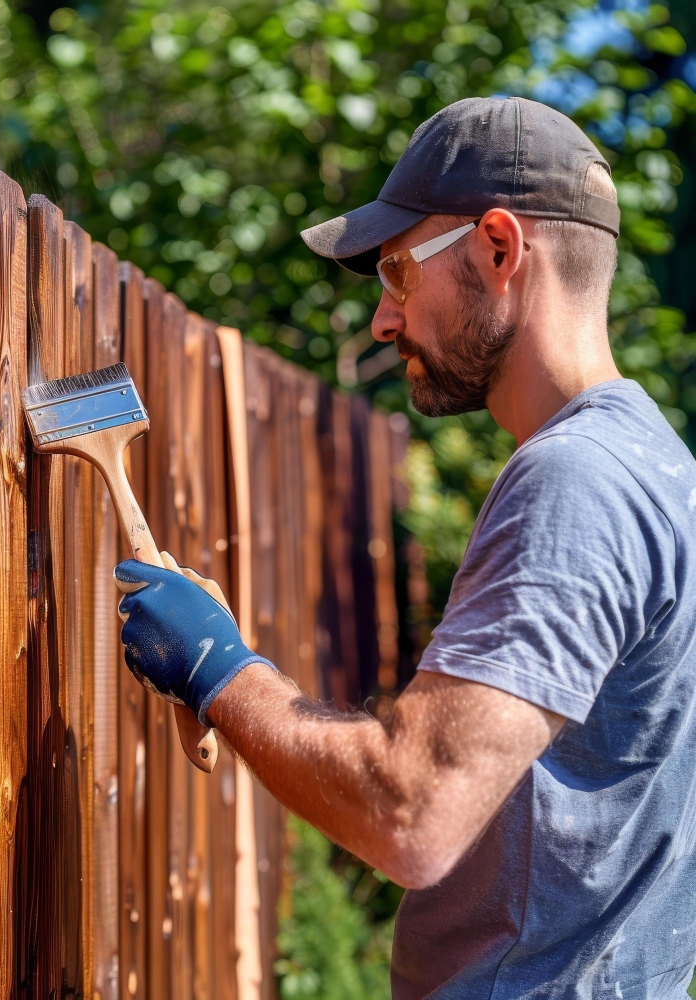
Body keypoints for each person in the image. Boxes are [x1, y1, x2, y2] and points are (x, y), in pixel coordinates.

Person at [114, 96, 696, 998]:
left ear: (499, 250)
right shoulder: (662, 466)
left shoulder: (577, 481)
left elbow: (412, 812)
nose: (385, 322)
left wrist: (220, 670)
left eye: (395, 271)